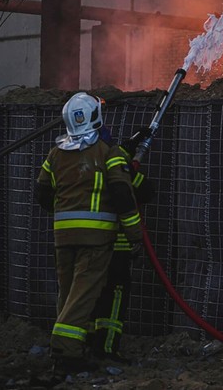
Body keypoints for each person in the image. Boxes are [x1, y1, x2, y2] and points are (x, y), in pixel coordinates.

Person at [35, 92, 144, 375]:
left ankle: (70, 346)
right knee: (83, 294)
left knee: (68, 293)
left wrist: (65, 210)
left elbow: (42, 193)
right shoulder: (107, 152)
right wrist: (134, 234)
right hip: (96, 240)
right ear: (96, 116)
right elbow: (122, 194)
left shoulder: (55, 154)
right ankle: (65, 349)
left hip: (63, 238)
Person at [87, 128, 155, 364]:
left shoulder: (79, 163)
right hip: (116, 246)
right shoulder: (116, 166)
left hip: (86, 246)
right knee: (114, 296)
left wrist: (127, 151)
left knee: (87, 295)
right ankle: (106, 349)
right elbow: (143, 192)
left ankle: (85, 345)